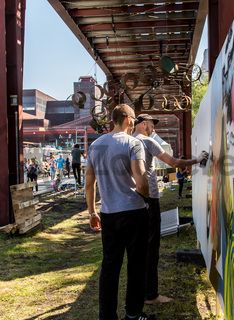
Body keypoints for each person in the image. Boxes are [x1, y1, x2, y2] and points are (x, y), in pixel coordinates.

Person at [85, 104, 155, 320]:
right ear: (126, 118)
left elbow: (89, 183)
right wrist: (146, 200)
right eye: (133, 118)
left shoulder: (95, 145)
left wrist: (91, 212)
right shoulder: (133, 143)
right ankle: (133, 314)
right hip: (134, 212)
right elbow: (142, 181)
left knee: (110, 266)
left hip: (108, 213)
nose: (134, 122)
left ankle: (107, 316)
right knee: (136, 265)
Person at [133, 113, 209, 305]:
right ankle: (151, 295)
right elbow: (173, 162)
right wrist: (197, 159)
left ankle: (140, 291)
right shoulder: (147, 142)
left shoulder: (127, 141)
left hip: (133, 202)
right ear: (142, 124)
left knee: (138, 248)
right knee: (152, 247)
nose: (154, 128)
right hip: (149, 199)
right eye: (151, 124)